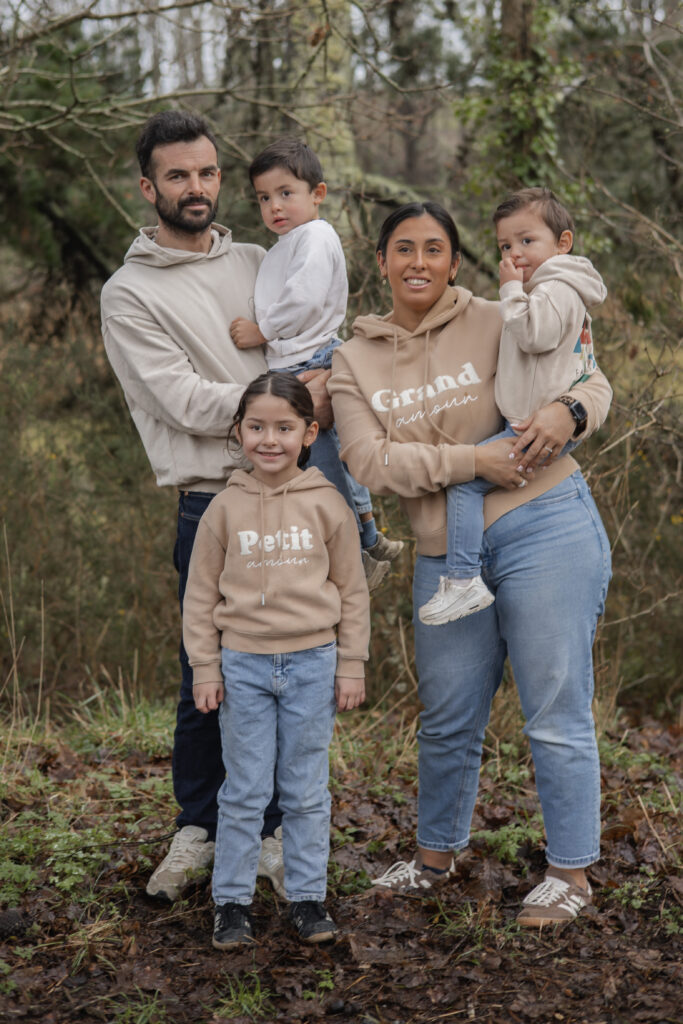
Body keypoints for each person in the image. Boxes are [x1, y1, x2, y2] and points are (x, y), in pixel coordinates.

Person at [328, 201, 612, 927]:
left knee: (553, 706)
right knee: (448, 718)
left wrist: (568, 414)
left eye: (433, 248)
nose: (417, 261)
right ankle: (434, 857)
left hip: (543, 523)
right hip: (442, 553)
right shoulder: (352, 361)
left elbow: (590, 377)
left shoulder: (501, 315)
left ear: (455, 262)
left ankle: (570, 874)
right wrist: (470, 460)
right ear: (383, 262)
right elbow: (369, 460)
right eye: (402, 248)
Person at [100, 110, 332, 902]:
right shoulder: (128, 293)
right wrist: (291, 409)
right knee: (211, 671)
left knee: (293, 666)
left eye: (205, 173)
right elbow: (178, 399)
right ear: (148, 186)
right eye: (177, 176)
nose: (194, 188)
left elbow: (311, 334)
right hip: (213, 502)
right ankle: (199, 828)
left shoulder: (264, 256)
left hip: (300, 495)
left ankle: (269, 834)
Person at [182, 371, 370, 949]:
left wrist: (352, 663)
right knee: (243, 789)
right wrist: (206, 667)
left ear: (310, 432)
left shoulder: (328, 504)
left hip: (314, 662)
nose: (270, 439)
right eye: (257, 426)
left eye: (284, 427)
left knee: (306, 788)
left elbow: (352, 589)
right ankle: (232, 904)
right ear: (238, 432)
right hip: (243, 666)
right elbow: (200, 595)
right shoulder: (222, 509)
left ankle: (308, 897)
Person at [419, 187, 608, 625]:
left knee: (466, 483)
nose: (515, 253)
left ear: (563, 243)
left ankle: (463, 580)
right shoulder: (547, 289)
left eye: (527, 241)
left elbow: (534, 335)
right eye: (506, 245)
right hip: (521, 422)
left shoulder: (556, 289)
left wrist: (510, 290)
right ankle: (465, 577)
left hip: (533, 431)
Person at [229, 137, 403, 591]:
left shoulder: (315, 236)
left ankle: (354, 551)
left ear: (318, 194)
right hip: (302, 357)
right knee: (337, 457)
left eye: (286, 193)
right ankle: (368, 534)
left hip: (307, 360)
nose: (274, 206)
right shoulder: (288, 243)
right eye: (264, 198)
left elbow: (302, 299)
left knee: (320, 466)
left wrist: (261, 330)